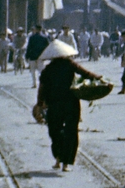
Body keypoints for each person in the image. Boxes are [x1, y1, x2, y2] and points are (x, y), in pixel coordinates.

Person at [35, 39, 107, 171]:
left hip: (54, 104)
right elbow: (86, 74)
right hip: (70, 102)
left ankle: (58, 158)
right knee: (71, 131)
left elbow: (42, 88)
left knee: (55, 131)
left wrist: (40, 104)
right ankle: (66, 163)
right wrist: (98, 78)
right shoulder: (70, 64)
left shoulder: (48, 69)